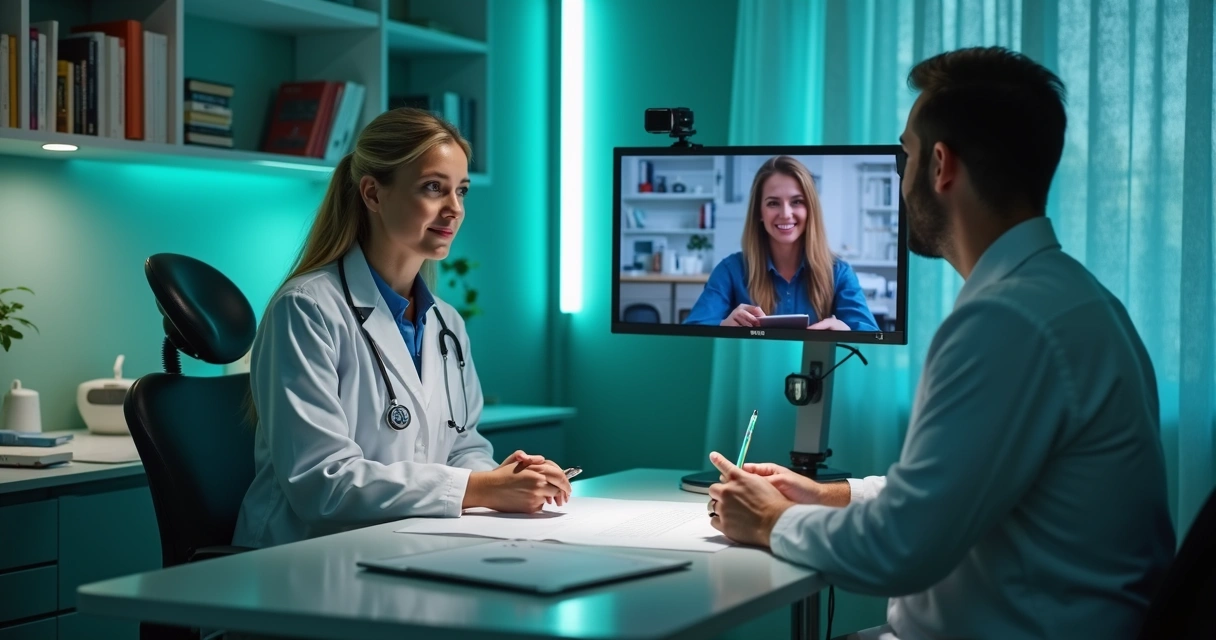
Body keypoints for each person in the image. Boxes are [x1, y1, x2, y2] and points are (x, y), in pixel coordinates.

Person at [704, 47, 1175, 639]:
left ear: (941, 166)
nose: (899, 178)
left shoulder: (1007, 322)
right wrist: (827, 494)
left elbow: (901, 548)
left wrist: (774, 522)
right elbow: (940, 492)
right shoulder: (1072, 299)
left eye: (904, 156)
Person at [233, 108, 572, 549]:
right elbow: (321, 483)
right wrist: (481, 489)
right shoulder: (306, 309)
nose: (454, 209)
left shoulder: (445, 323)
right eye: (434, 188)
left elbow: (462, 445)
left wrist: (503, 477)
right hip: (306, 556)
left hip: (410, 544)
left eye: (461, 191)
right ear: (373, 193)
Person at [682, 155, 879, 331]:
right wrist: (723, 326)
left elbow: (874, 338)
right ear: (759, 212)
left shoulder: (838, 272)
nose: (785, 214)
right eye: (773, 203)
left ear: (810, 209)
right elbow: (692, 332)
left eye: (797, 202)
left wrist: (846, 332)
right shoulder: (730, 270)